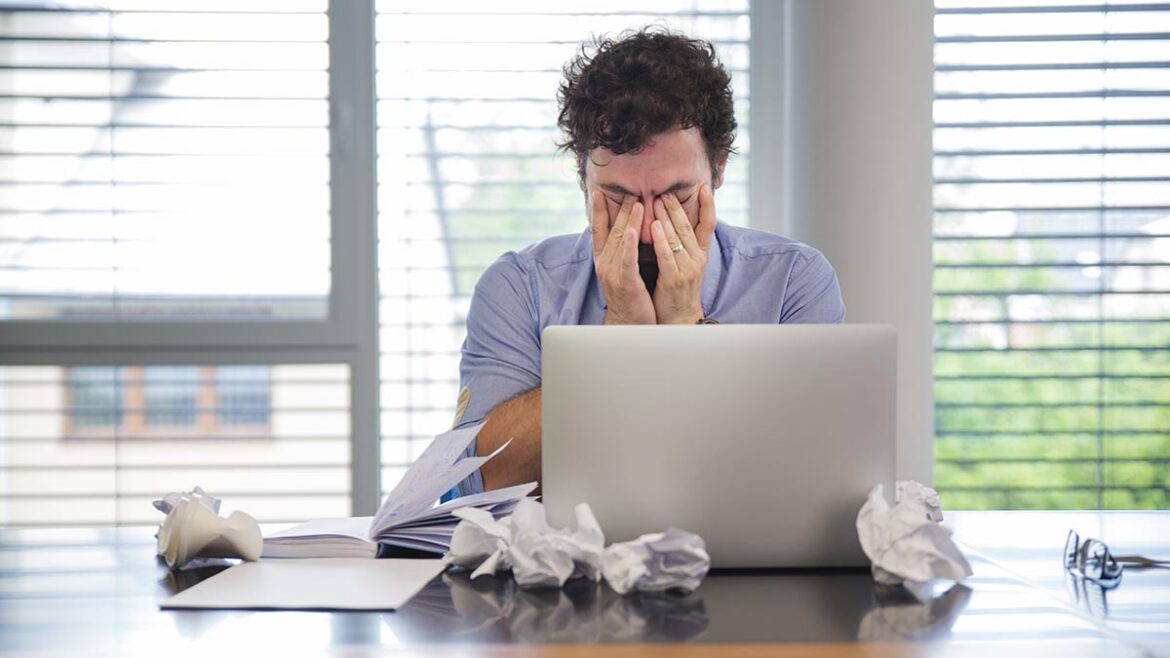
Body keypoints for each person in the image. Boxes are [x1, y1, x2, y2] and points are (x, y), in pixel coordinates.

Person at [451, 27, 845, 496]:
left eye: (676, 196)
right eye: (618, 198)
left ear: (718, 168)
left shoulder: (793, 281)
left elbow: (810, 475)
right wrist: (619, 339)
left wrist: (686, 327)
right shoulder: (519, 286)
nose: (644, 229)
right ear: (582, 175)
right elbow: (482, 480)